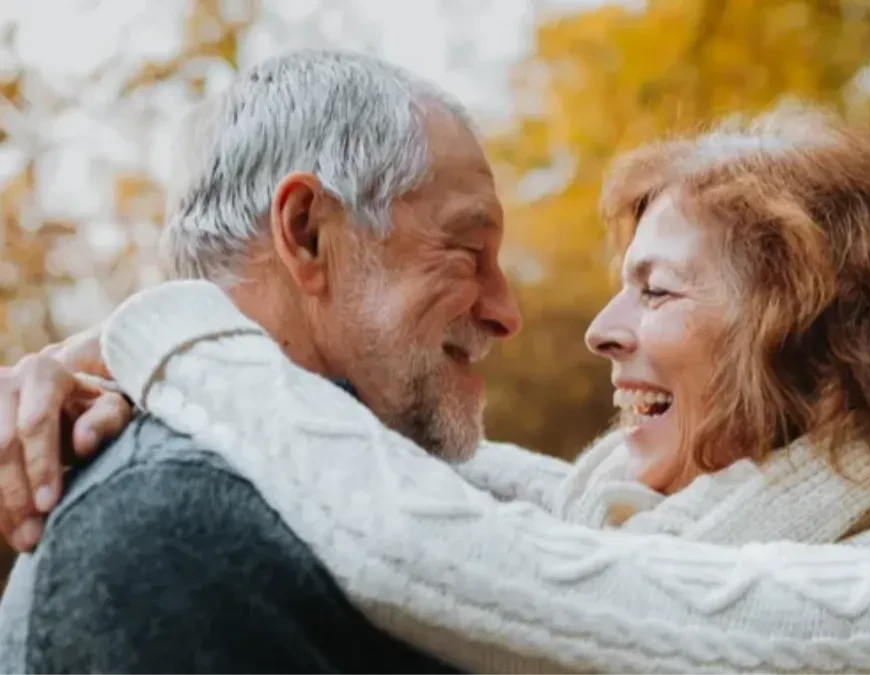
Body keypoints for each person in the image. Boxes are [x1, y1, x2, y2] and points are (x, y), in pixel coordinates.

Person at [1, 65, 870, 675]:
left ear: (827, 350)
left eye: (657, 290)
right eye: (466, 251)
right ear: (308, 236)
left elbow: (437, 545)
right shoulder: (642, 531)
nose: (594, 329)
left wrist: (179, 338)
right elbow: (477, 493)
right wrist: (123, 363)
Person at [0, 49, 513, 674]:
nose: (506, 312)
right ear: (307, 232)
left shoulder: (354, 514)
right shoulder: (171, 532)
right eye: (467, 251)